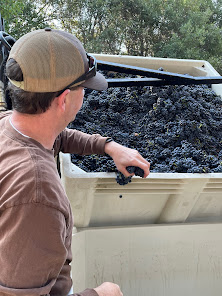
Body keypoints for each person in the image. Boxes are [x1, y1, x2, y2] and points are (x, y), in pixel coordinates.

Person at [0, 28, 150, 296]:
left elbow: (57, 136)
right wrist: (101, 294)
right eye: (84, 88)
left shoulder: (9, 124)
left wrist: (106, 145)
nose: (85, 95)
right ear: (65, 99)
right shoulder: (37, 192)